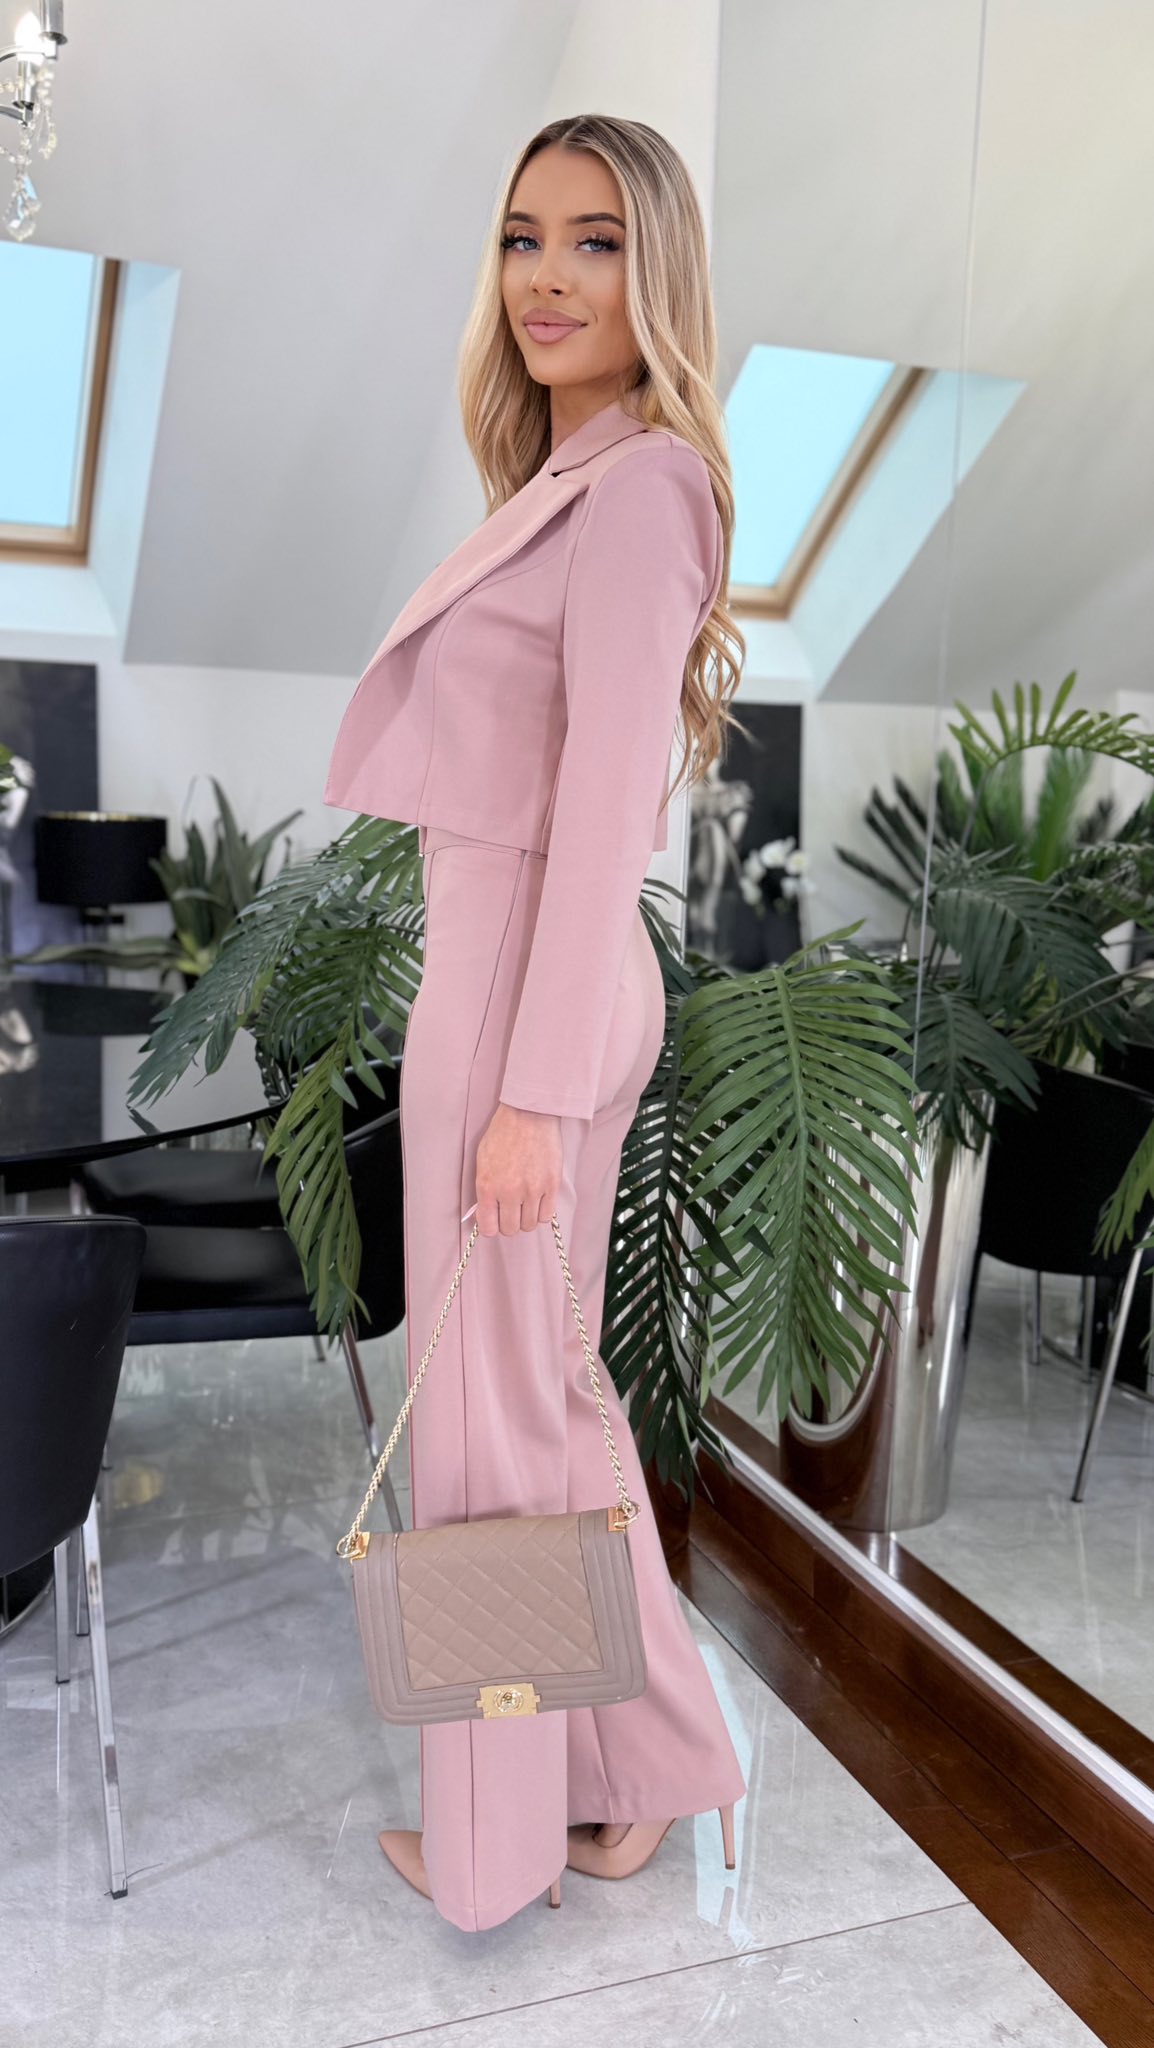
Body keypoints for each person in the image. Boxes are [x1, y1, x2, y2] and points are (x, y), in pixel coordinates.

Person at [323, 112, 748, 1933]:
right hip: (502, 977)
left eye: (593, 241)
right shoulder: (575, 479)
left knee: (496, 1427)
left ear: (656, 272)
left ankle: (502, 1846)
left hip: (528, 994)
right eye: (522, 238)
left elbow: (603, 822)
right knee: (535, 1407)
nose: (547, 279)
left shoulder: (641, 488)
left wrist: (528, 1091)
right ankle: (640, 1768)